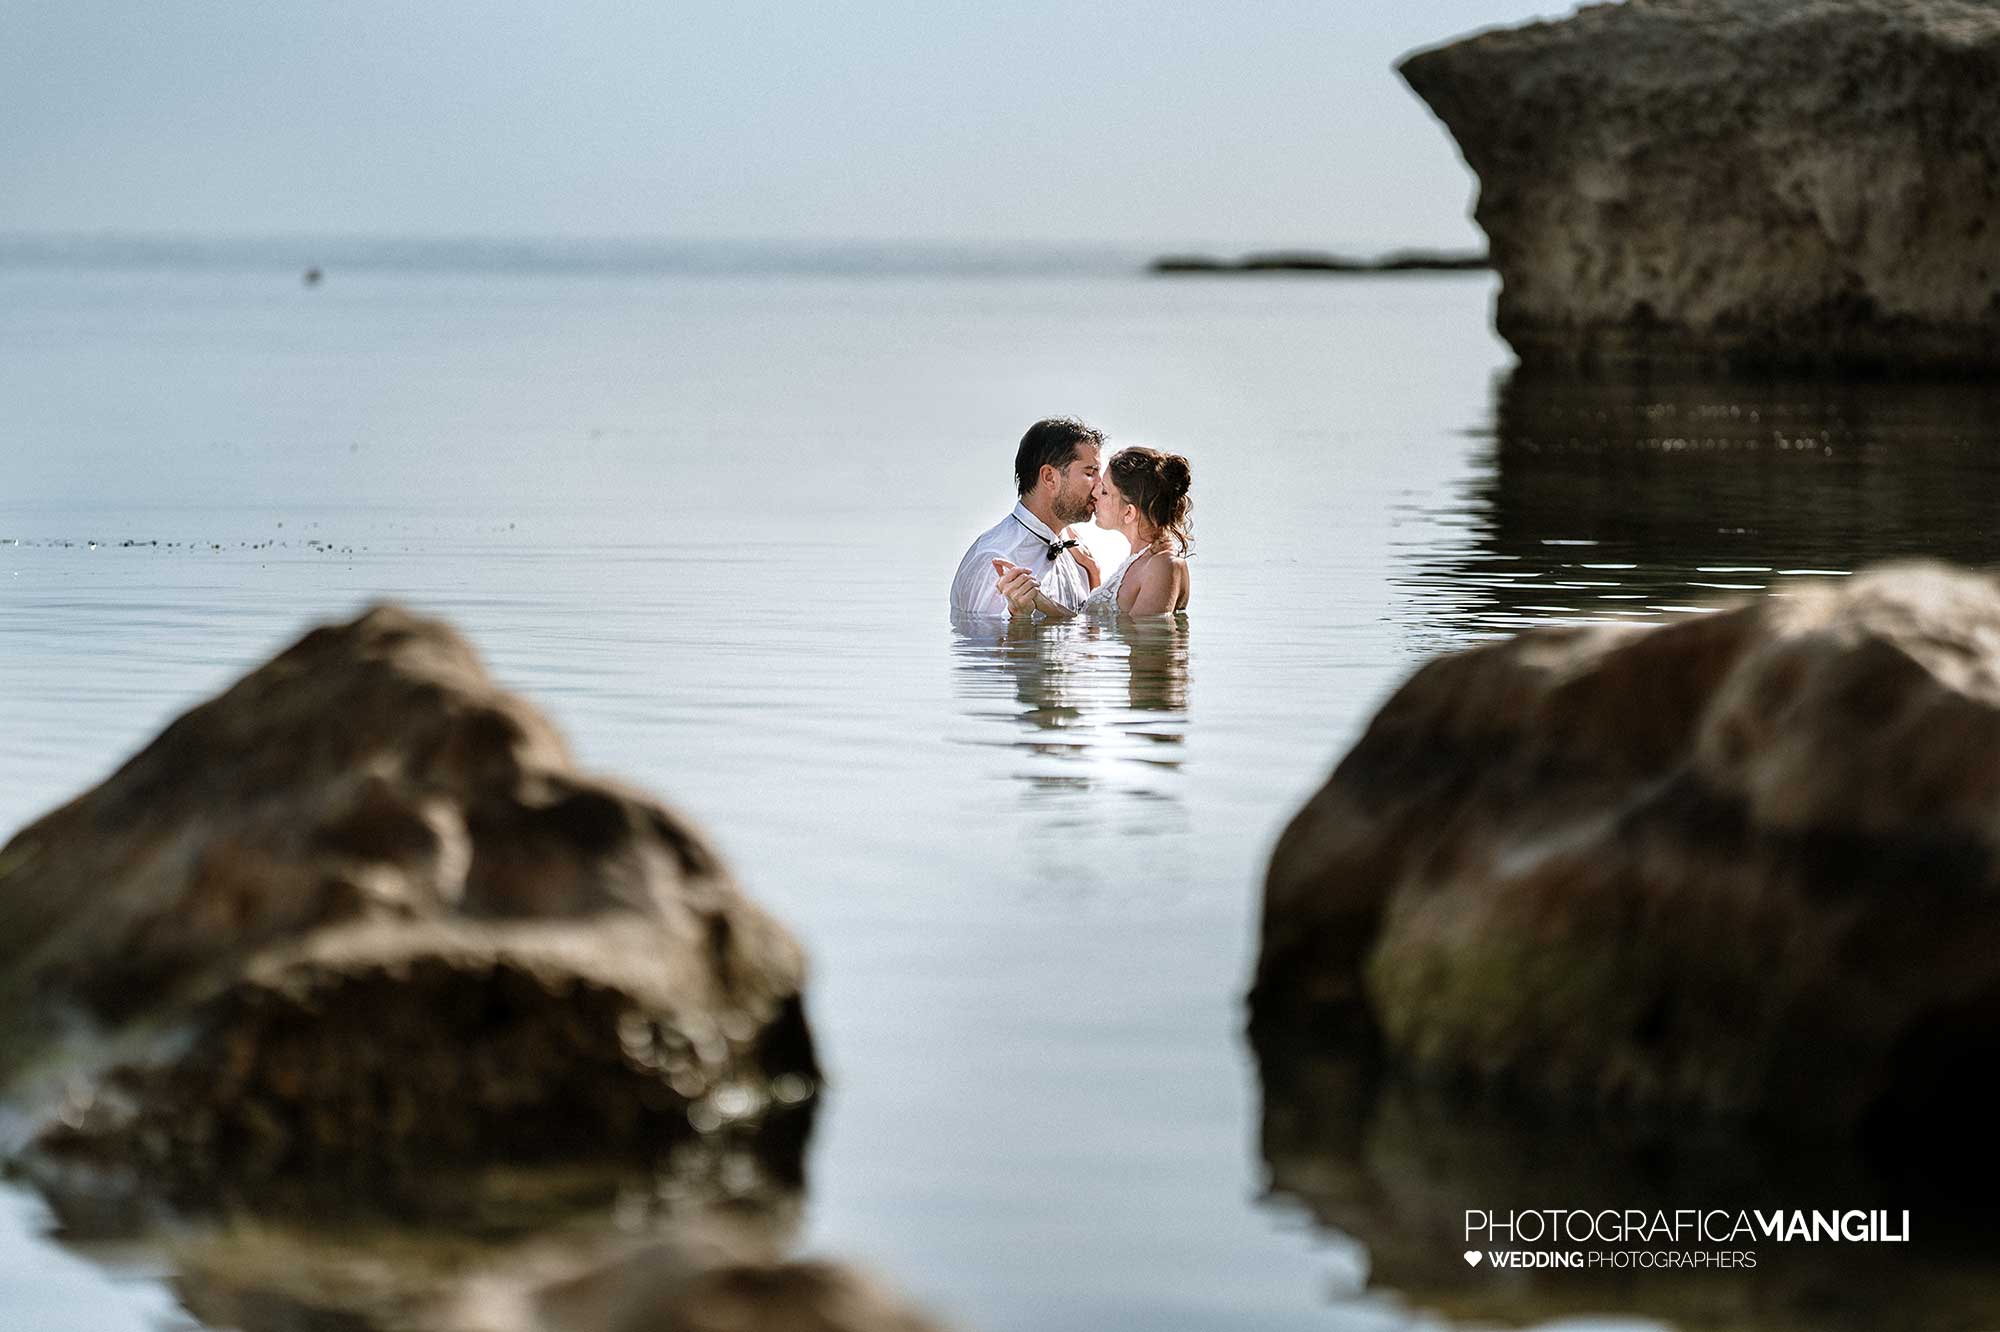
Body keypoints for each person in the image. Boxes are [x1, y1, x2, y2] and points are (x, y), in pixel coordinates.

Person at [993, 446, 1191, 619]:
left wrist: (1040, 600)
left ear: (1129, 512)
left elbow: (1144, 644)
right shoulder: (1141, 559)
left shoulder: (1163, 566)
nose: (1094, 494)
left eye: (1104, 491)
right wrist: (1092, 573)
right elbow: (1099, 623)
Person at [949, 418, 1105, 618]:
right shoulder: (994, 559)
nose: (1100, 487)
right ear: (1050, 477)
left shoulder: (1079, 552)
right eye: (1090, 473)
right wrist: (1018, 620)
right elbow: (979, 644)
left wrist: (1094, 575)